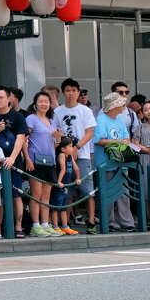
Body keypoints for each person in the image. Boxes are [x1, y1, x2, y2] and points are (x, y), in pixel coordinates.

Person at [0, 87, 29, 238]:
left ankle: (18, 226)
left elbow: (21, 138)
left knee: (16, 194)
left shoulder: (18, 116)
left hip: (13, 160)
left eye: (1, 97)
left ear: (9, 99)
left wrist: (13, 158)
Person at [54, 78, 97, 229]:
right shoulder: (58, 111)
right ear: (63, 93)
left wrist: (76, 148)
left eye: (73, 90)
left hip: (83, 155)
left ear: (78, 92)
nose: (70, 93)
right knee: (67, 190)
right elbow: (56, 134)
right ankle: (66, 224)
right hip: (64, 156)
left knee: (87, 190)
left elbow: (89, 133)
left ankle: (91, 221)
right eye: (67, 90)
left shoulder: (85, 110)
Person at [92, 92, 135, 234]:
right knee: (107, 193)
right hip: (105, 161)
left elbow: (126, 137)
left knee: (124, 191)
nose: (124, 106)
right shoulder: (101, 120)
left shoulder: (119, 119)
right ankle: (108, 221)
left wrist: (123, 142)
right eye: (122, 104)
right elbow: (98, 140)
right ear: (114, 106)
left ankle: (126, 221)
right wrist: (118, 142)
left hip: (120, 161)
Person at [24, 91, 62, 238]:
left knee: (46, 195)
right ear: (35, 103)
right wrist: (27, 159)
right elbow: (24, 140)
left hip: (50, 161)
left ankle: (46, 224)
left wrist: (58, 139)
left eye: (46, 101)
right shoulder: (31, 119)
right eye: (41, 101)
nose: (44, 104)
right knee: (36, 194)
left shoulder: (52, 121)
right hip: (35, 160)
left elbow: (56, 145)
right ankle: (35, 225)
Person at [52, 137, 80, 235]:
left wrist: (78, 178)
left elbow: (76, 168)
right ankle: (55, 225)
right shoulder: (62, 155)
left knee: (64, 207)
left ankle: (65, 226)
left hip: (66, 186)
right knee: (56, 207)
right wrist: (59, 181)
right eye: (70, 146)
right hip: (60, 185)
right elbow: (63, 169)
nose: (72, 148)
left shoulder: (70, 156)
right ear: (63, 148)